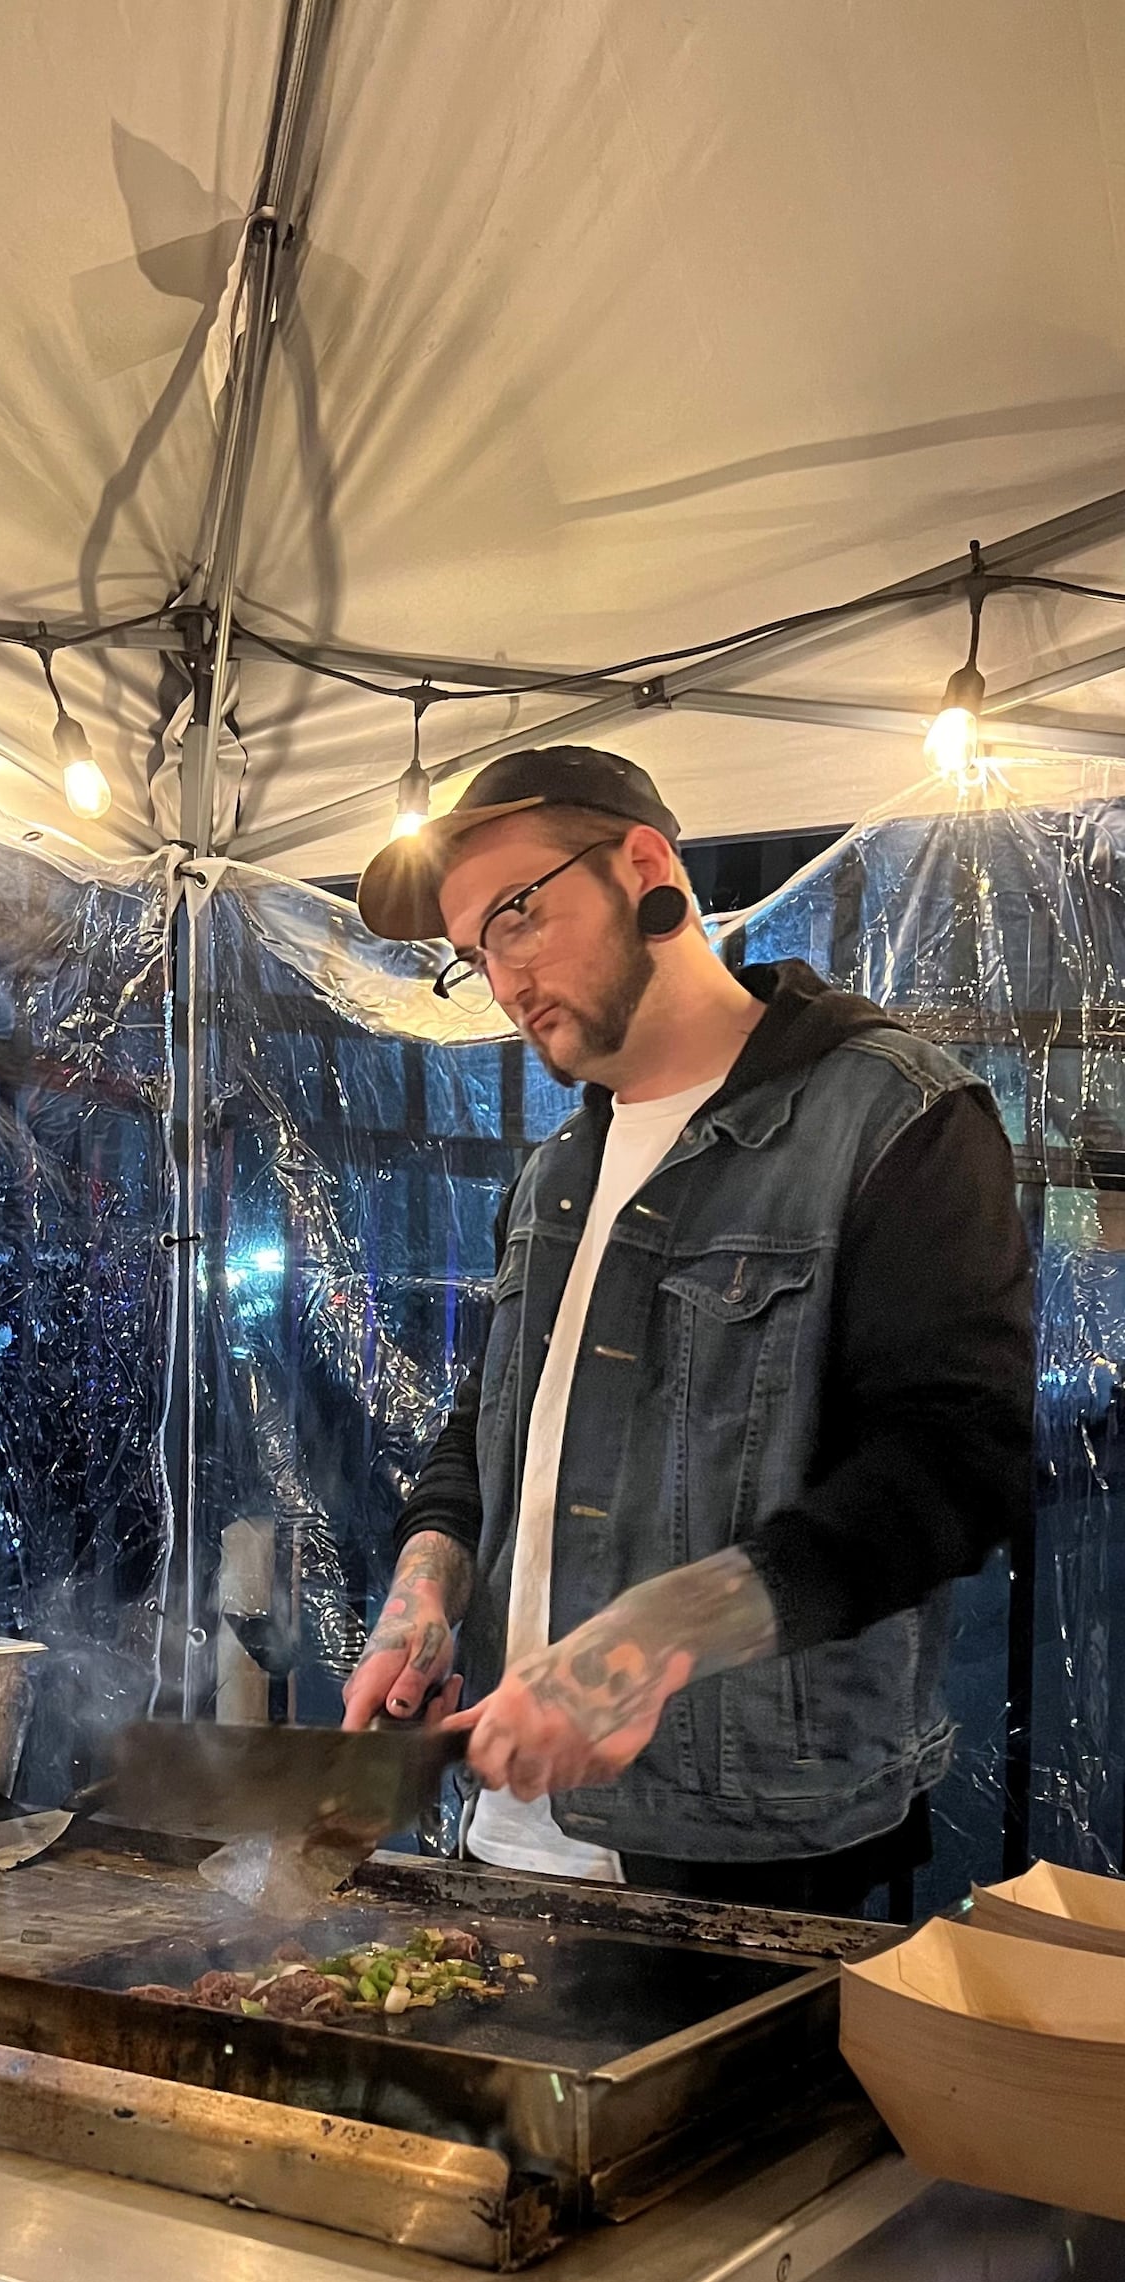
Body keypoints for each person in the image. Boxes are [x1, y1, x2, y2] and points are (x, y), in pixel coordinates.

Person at [341, 746, 1033, 1913]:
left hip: (754, 1859)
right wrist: (426, 1583)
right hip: (507, 1836)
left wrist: (660, 1635)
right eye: (471, 955)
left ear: (645, 868)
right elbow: (492, 1424)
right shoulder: (558, 1170)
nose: (501, 979)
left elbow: (958, 1467)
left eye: (517, 916)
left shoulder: (894, 1119)